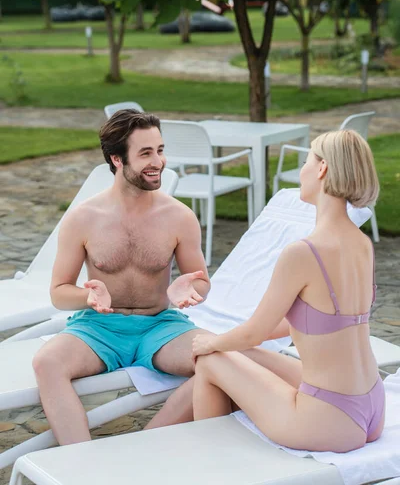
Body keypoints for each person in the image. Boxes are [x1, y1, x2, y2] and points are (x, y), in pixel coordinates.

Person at [192, 129, 384, 453]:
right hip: (371, 405)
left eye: (307, 160)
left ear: (322, 168)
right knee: (239, 354)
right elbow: (321, 322)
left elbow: (255, 332)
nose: (303, 171)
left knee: (211, 360)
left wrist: (210, 341)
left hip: (329, 419)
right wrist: (231, 342)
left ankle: (212, 464)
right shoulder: (361, 244)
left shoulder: (303, 252)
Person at [32, 110, 211, 445]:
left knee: (219, 361)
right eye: (145, 153)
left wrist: (191, 287)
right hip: (98, 329)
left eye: (159, 150)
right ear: (116, 159)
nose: (158, 161)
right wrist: (87, 297)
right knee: (47, 362)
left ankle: (143, 447)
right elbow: (58, 292)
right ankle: (80, 461)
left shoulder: (179, 217)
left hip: (161, 326)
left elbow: (200, 280)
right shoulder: (83, 218)